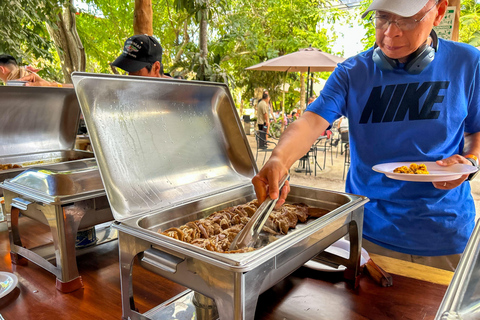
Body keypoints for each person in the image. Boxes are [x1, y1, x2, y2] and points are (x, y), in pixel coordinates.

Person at [252, 0, 480, 271]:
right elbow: (311, 122)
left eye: (407, 20)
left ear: (439, 12)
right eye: (382, 18)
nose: (390, 33)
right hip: (368, 234)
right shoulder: (351, 72)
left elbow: (476, 130)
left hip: (447, 237)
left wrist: (471, 161)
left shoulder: (469, 63)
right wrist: (279, 158)